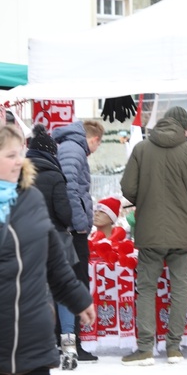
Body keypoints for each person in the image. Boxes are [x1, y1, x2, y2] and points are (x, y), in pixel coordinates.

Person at [0, 124, 96, 375]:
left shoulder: (31, 199)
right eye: (10, 156)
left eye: (20, 153)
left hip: (35, 339)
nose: (19, 161)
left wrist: (79, 298)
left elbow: (54, 261)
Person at [120, 106, 187, 366]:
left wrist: (144, 201)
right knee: (180, 288)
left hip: (150, 231)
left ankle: (145, 348)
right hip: (184, 233)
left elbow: (127, 187)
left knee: (146, 288)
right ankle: (174, 348)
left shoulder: (142, 149)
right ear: (184, 127)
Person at [26, 124, 81, 367]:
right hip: (57, 239)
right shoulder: (56, 175)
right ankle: (68, 344)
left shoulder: (19, 175)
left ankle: (43, 342)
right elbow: (65, 214)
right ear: (51, 152)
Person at [52, 119, 104, 362]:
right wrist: (80, 225)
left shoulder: (69, 147)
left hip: (69, 229)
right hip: (73, 231)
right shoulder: (74, 150)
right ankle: (73, 343)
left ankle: (66, 341)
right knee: (76, 282)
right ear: (94, 139)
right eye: (99, 144)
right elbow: (71, 189)